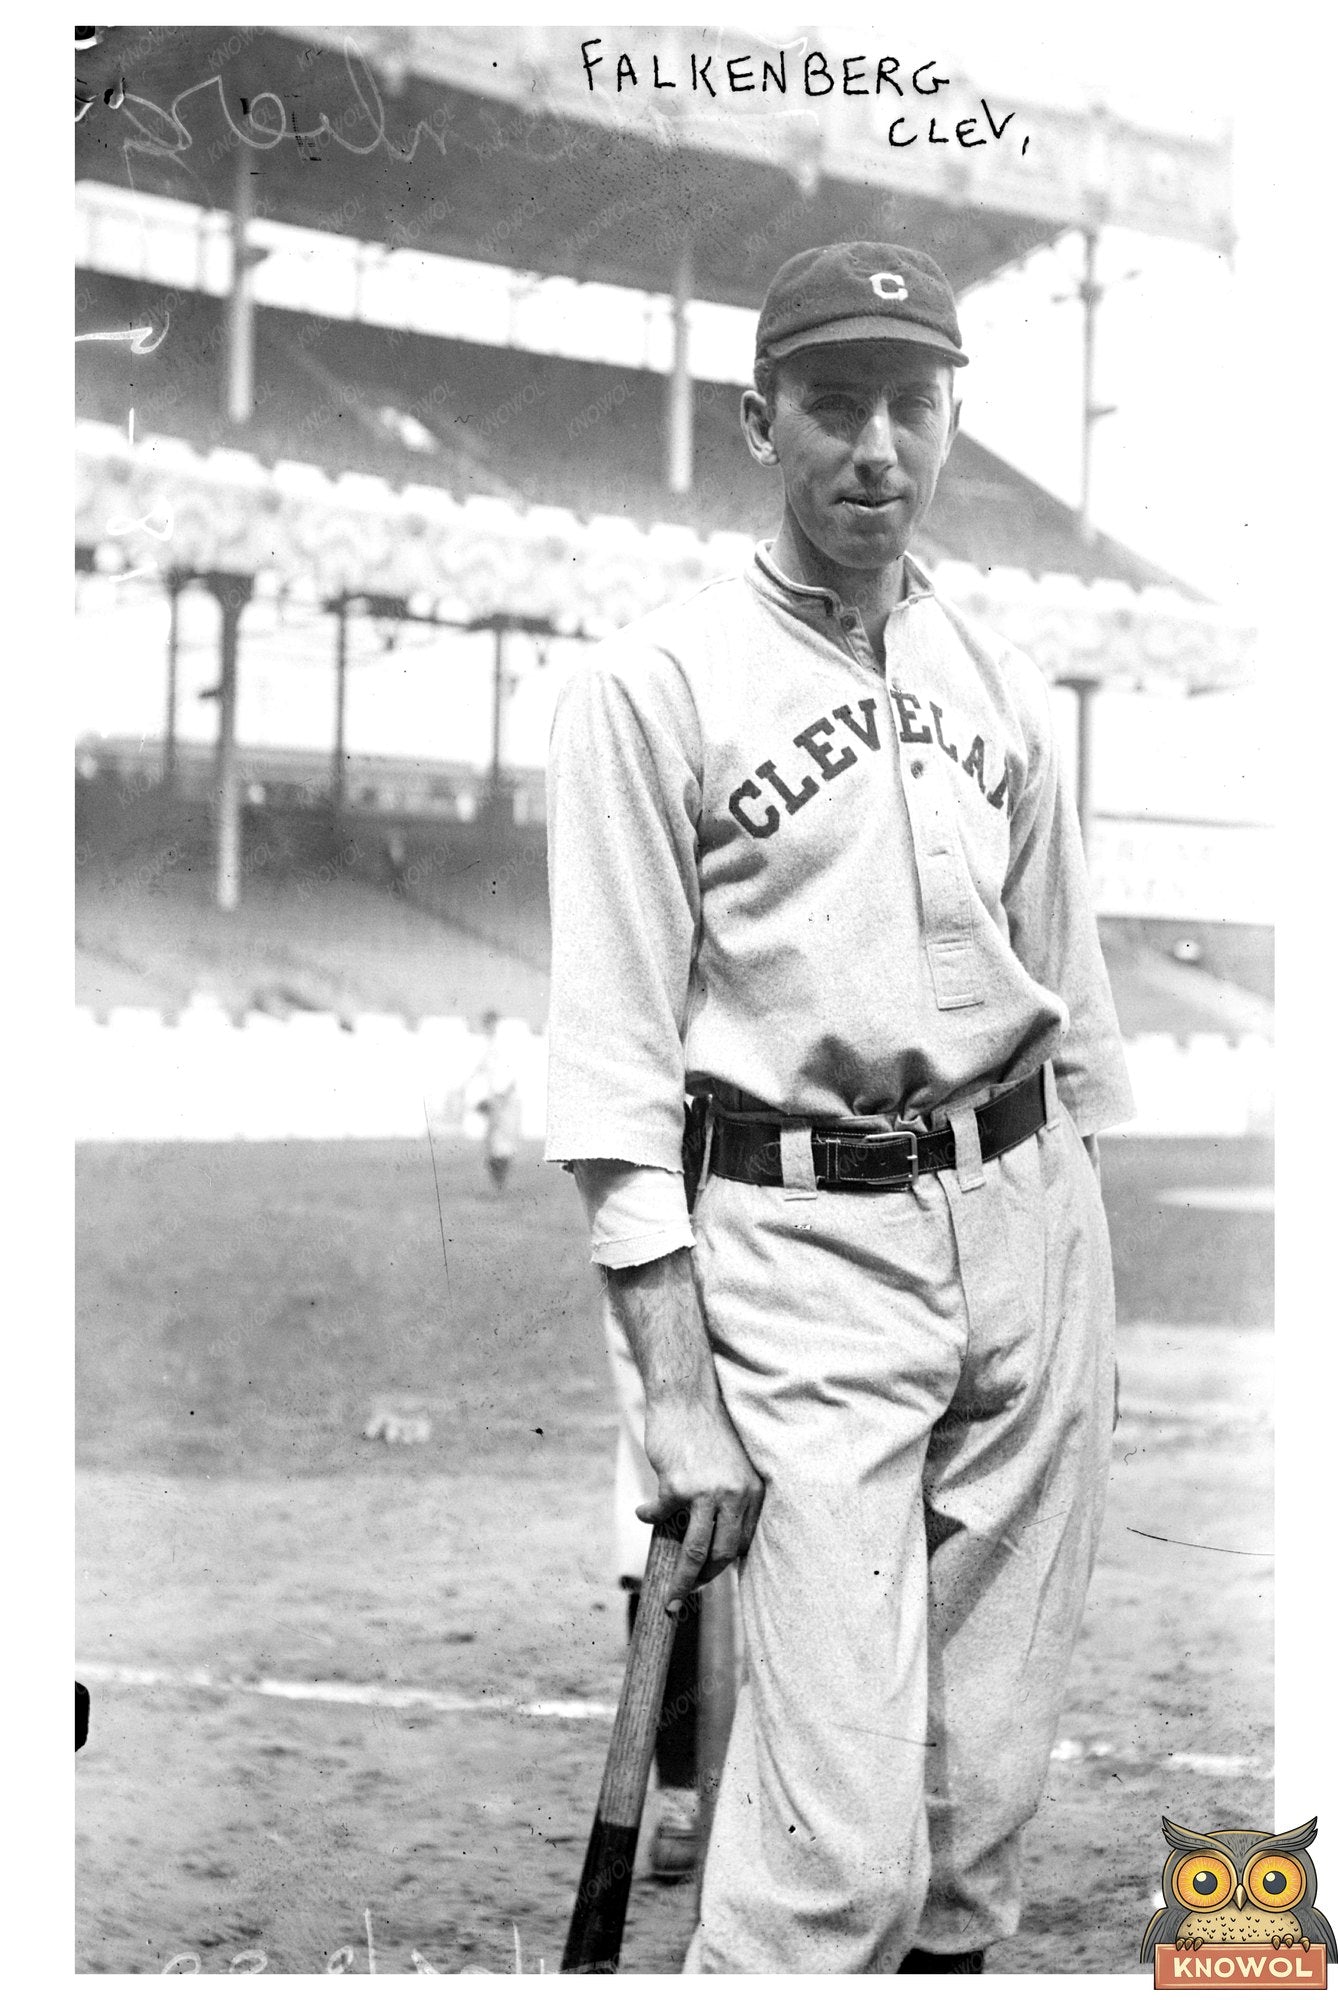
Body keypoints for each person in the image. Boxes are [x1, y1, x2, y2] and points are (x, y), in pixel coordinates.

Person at [545, 242, 1134, 1975]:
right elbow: (607, 1073)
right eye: (835, 404)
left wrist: (1074, 1258)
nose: (879, 446)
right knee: (833, 1851)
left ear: (952, 424)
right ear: (759, 420)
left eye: (915, 406)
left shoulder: (1002, 679)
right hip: (803, 1249)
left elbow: (1072, 999)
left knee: (976, 1820)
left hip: (1032, 1221)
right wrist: (672, 1392)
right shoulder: (652, 685)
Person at [467, 1011, 520, 1192]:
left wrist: (502, 1098)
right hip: (494, 1100)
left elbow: (513, 1076)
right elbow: (478, 1069)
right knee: (492, 1145)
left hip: (505, 1101)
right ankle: (496, 1184)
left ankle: (500, 1184)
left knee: (503, 1144)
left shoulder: (505, 1045)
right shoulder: (487, 1047)